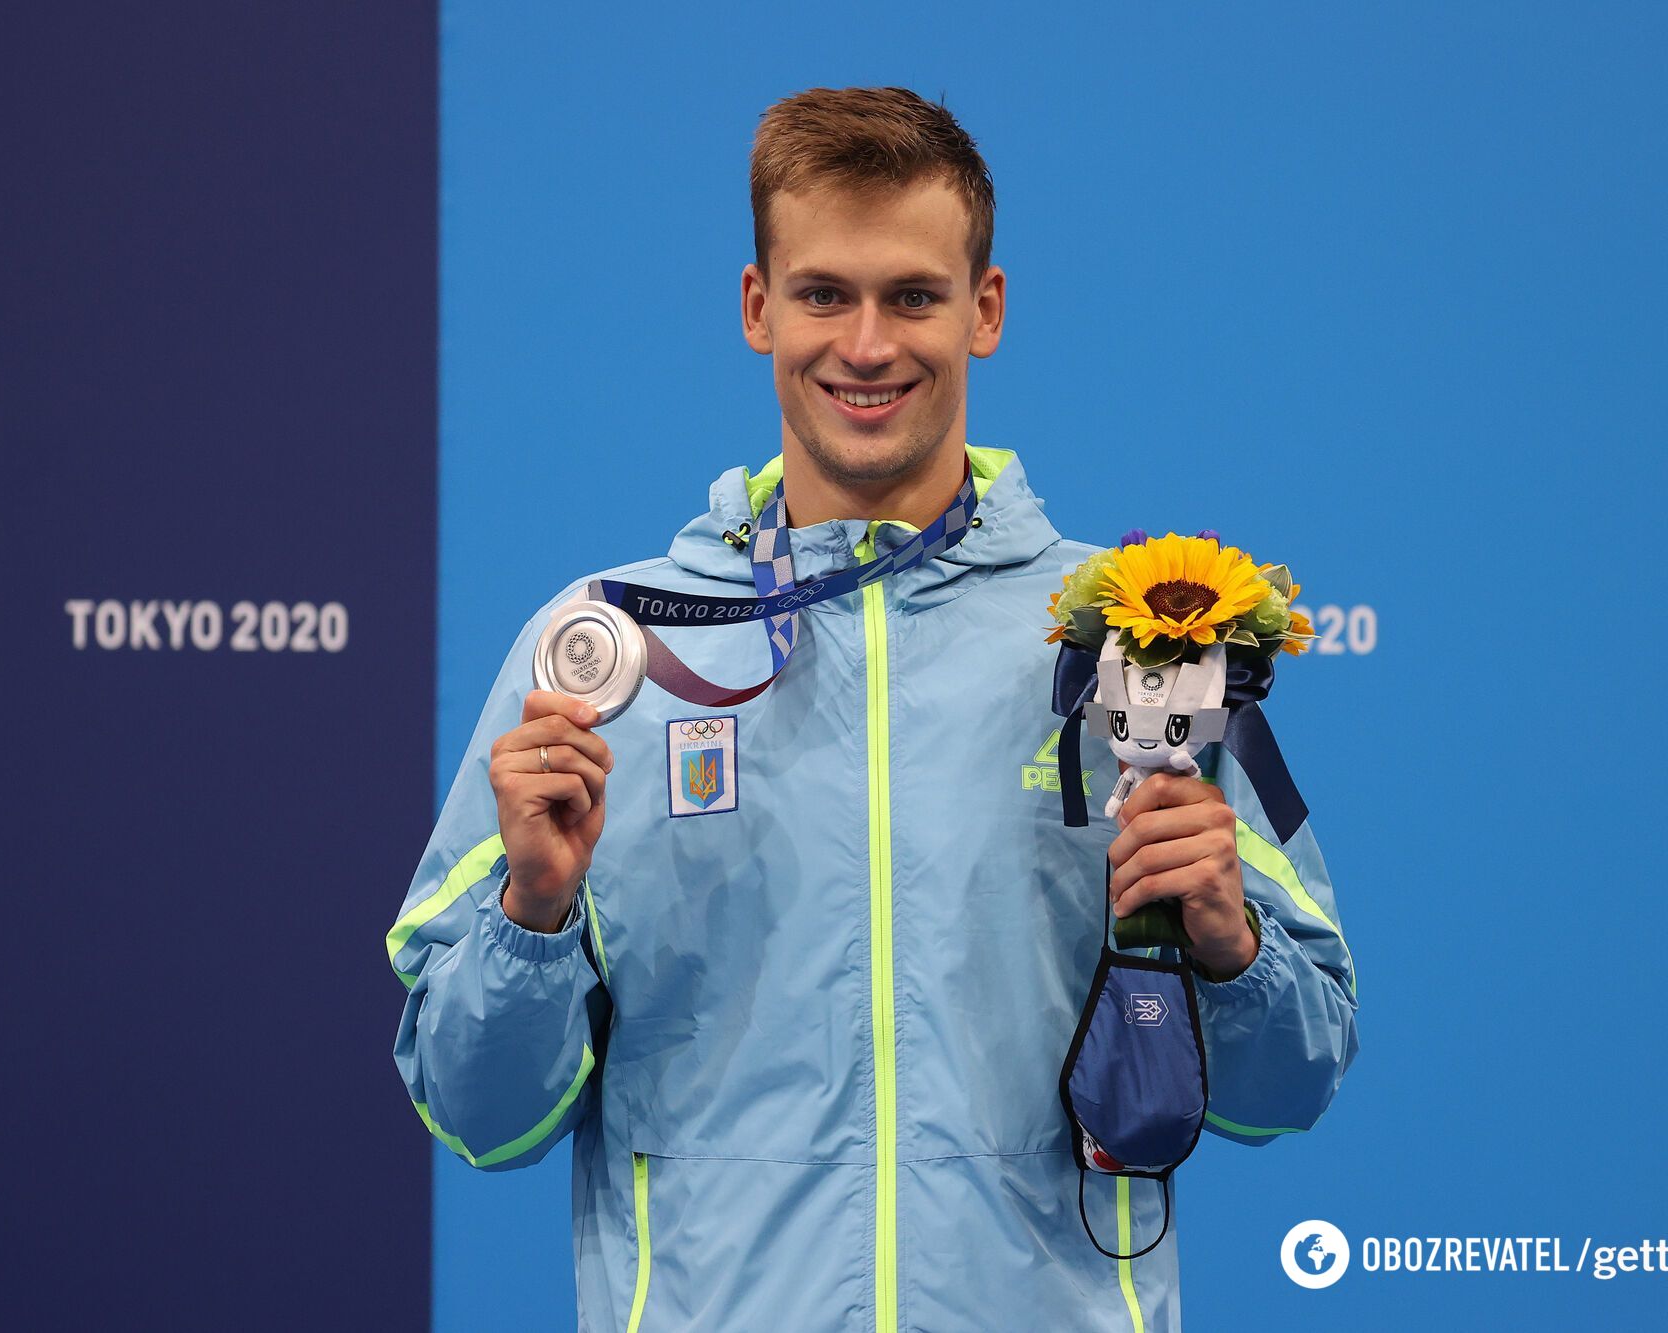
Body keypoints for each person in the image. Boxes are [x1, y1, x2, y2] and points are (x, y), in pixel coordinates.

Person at [387, 86, 1358, 1331]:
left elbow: (1296, 1078)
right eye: (822, 294)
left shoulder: (1136, 641)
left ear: (984, 311)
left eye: (911, 295)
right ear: (756, 309)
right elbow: (475, 1116)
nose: (865, 344)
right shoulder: (606, 652)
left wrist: (1229, 946)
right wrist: (533, 916)